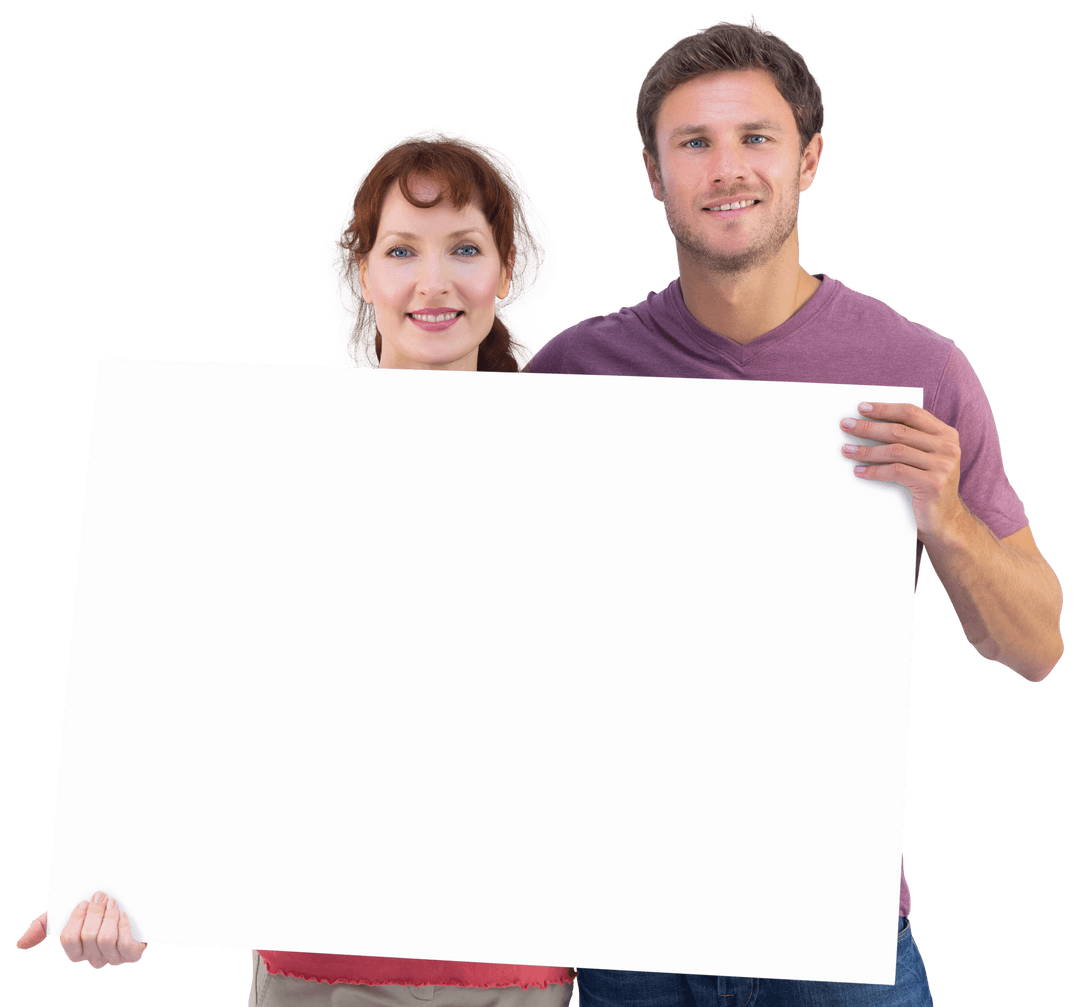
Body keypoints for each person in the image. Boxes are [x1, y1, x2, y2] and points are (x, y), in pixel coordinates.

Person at [524, 15, 1064, 1007]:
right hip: (630, 926)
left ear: (809, 158)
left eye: (756, 137)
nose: (727, 168)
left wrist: (945, 516)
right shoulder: (574, 371)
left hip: (834, 926)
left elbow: (1034, 646)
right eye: (695, 143)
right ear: (653, 175)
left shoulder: (920, 368)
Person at [16, 126, 570, 1007]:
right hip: (320, 970)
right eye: (402, 250)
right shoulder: (265, 465)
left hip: (518, 969)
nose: (434, 281)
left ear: (505, 272)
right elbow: (186, 678)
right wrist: (113, 876)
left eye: (465, 248)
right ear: (363, 274)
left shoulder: (582, 469)